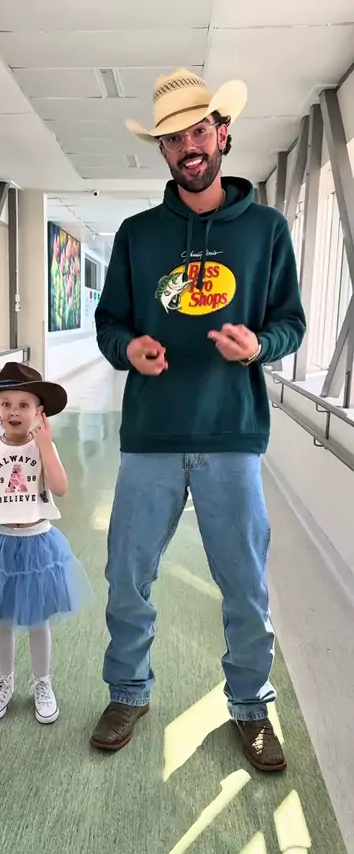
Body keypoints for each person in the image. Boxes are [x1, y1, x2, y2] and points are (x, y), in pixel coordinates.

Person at [91, 69, 306, 772]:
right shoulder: (136, 235)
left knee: (245, 585)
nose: (188, 146)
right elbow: (109, 323)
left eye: (198, 131)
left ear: (222, 134)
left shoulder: (268, 231)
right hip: (151, 435)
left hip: (231, 434)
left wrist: (259, 346)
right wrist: (129, 349)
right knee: (127, 575)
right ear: (161, 150)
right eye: (173, 138)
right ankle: (128, 691)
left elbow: (291, 322)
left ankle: (251, 706)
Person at [0, 362, 92, 724]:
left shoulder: (44, 447)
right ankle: (5, 681)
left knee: (38, 620)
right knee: (4, 620)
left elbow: (60, 488)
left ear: (39, 412)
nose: (14, 411)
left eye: (24, 405)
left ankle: (42, 682)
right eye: (6, 404)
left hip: (37, 543)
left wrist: (45, 447)